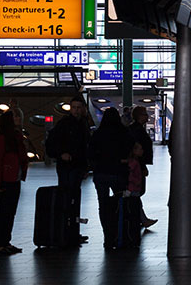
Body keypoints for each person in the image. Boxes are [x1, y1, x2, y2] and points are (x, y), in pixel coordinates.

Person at [47, 96, 92, 244]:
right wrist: (61, 154)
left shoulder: (81, 124)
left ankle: (70, 231)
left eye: (79, 108)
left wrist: (86, 166)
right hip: (69, 167)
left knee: (72, 199)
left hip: (74, 167)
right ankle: (68, 231)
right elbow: (51, 143)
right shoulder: (66, 124)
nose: (76, 111)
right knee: (69, 198)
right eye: (74, 108)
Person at [90, 108, 135, 248]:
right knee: (120, 204)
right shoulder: (123, 133)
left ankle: (107, 236)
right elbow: (130, 149)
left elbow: (90, 152)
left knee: (103, 204)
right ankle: (120, 234)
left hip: (101, 173)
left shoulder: (98, 134)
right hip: (118, 173)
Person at [0, 110, 29, 256]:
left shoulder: (16, 137)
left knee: (10, 213)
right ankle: (0, 244)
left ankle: (5, 242)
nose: (18, 118)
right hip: (8, 179)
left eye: (19, 116)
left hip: (15, 178)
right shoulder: (3, 139)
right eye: (15, 116)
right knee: (5, 213)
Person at [128, 106, 157, 228]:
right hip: (137, 165)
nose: (147, 117)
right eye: (145, 114)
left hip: (137, 164)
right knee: (136, 192)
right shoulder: (138, 131)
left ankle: (140, 217)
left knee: (136, 193)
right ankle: (141, 218)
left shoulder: (133, 129)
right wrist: (142, 165)